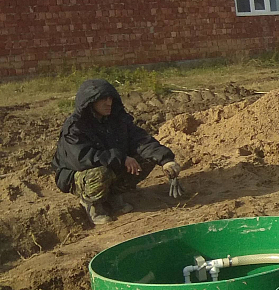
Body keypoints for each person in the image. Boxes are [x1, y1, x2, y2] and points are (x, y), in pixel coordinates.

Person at [52, 78, 184, 225]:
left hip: (109, 165)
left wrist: (166, 160)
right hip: (76, 175)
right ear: (90, 102)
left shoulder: (117, 120)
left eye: (110, 98)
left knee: (146, 158)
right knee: (100, 172)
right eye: (103, 99)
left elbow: (140, 140)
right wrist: (121, 158)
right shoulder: (75, 127)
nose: (108, 103)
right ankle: (92, 204)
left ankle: (113, 195)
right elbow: (81, 158)